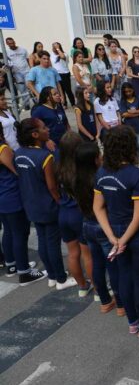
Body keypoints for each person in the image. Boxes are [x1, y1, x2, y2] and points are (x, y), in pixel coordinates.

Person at [94, 126, 139, 339]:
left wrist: (112, 239)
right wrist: (123, 240)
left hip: (114, 231)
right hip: (138, 236)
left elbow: (98, 208)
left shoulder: (101, 172)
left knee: (124, 276)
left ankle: (133, 323)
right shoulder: (136, 175)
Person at [15, 118, 74, 289]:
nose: (47, 130)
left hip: (30, 204)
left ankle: (52, 275)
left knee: (43, 240)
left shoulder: (19, 153)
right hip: (47, 205)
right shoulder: (45, 157)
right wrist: (60, 202)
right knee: (53, 242)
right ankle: (61, 279)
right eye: (43, 128)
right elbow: (52, 186)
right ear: (35, 134)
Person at [75, 140, 123, 314]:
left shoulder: (76, 178)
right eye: (99, 155)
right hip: (103, 225)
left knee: (97, 265)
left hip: (86, 224)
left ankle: (104, 300)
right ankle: (121, 304)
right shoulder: (100, 178)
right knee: (113, 267)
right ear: (95, 159)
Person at [0, 123, 45, 284]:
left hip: (3, 195)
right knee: (19, 233)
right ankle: (24, 271)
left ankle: (12, 264)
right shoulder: (3, 148)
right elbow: (16, 170)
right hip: (11, 196)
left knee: (9, 231)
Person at [56, 131, 93, 297]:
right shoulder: (82, 170)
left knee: (73, 253)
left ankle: (82, 286)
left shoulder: (58, 168)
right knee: (87, 254)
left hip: (63, 213)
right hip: (79, 213)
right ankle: (99, 291)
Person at [118, 82, 139, 161]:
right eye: (126, 92)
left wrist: (134, 112)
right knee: (130, 146)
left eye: (129, 91)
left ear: (133, 90)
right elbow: (124, 114)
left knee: (138, 145)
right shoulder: (123, 101)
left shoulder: (138, 98)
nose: (128, 93)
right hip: (128, 127)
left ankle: (138, 161)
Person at [4, 37, 33, 109]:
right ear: (7, 44)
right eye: (10, 43)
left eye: (13, 42)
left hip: (26, 71)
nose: (12, 44)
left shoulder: (23, 49)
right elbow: (7, 64)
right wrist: (12, 75)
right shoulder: (7, 52)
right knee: (22, 89)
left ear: (14, 41)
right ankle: (27, 105)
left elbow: (28, 59)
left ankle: (36, 100)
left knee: (30, 86)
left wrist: (31, 70)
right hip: (16, 73)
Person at [50, 42, 75, 107]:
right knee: (60, 90)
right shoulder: (51, 55)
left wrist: (58, 49)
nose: (54, 48)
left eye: (55, 47)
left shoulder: (64, 54)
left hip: (65, 73)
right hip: (56, 74)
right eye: (53, 47)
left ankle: (73, 103)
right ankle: (64, 104)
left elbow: (62, 57)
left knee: (68, 90)